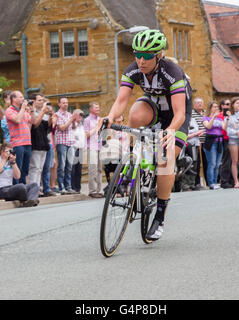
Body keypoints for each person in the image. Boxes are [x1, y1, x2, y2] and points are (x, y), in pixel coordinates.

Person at [104, 29, 192, 241]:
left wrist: (171, 130)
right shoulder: (133, 69)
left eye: (147, 56)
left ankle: (160, 216)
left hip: (176, 113)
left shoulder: (172, 72)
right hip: (153, 106)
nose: (141, 61)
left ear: (158, 55)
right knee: (134, 116)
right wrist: (109, 117)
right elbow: (122, 100)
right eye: (138, 55)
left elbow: (179, 112)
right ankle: (135, 158)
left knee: (165, 159)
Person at [0, 143, 39, 207]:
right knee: (21, 187)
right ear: (2, 152)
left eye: (11, 151)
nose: (10, 153)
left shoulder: (10, 162)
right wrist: (4, 159)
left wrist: (13, 162)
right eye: (8, 151)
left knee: (34, 185)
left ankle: (31, 200)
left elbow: (17, 176)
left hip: (10, 188)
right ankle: (28, 199)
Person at [28, 94, 52, 191]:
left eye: (42, 100)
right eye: (39, 100)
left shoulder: (43, 113)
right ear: (33, 101)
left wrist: (50, 115)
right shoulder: (31, 112)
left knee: (40, 169)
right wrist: (43, 112)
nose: (42, 102)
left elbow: (48, 127)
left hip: (43, 143)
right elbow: (35, 124)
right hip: (35, 143)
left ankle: (36, 189)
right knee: (35, 168)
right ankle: (32, 189)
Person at [203, 101, 228, 190]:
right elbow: (208, 127)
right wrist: (213, 117)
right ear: (210, 108)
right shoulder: (205, 118)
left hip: (219, 142)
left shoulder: (219, 119)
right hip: (210, 142)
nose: (216, 108)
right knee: (212, 163)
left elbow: (224, 128)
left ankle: (215, 182)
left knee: (217, 164)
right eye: (214, 107)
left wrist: (227, 119)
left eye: (217, 107)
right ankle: (211, 183)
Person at [55, 97, 78, 195]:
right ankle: (61, 187)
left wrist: (73, 121)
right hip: (61, 143)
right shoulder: (57, 115)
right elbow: (62, 128)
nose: (65, 104)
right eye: (63, 103)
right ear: (59, 104)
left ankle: (68, 187)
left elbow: (74, 128)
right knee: (62, 166)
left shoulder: (69, 115)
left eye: (67, 103)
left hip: (70, 143)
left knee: (69, 166)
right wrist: (70, 120)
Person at [84, 102, 104, 198]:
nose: (98, 109)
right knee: (93, 169)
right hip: (91, 147)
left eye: (98, 107)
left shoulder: (100, 119)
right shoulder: (87, 120)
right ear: (91, 109)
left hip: (99, 146)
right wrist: (96, 128)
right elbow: (86, 135)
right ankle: (92, 191)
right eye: (96, 107)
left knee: (100, 169)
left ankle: (98, 190)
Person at [190, 97, 207, 190]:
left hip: (207, 141)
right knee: (197, 163)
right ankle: (197, 182)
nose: (200, 104)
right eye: (197, 103)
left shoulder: (205, 113)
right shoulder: (192, 114)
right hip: (197, 141)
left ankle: (208, 182)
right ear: (194, 105)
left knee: (206, 162)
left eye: (201, 103)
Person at [219, 99, 235, 189]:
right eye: (227, 104)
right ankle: (224, 181)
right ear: (222, 106)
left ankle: (232, 180)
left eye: (230, 104)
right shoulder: (220, 115)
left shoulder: (232, 114)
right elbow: (223, 127)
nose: (229, 106)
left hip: (234, 139)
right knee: (226, 161)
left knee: (233, 161)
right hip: (225, 139)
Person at [71, 109, 86, 194]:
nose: (80, 117)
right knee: (72, 169)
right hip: (73, 148)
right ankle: (73, 187)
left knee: (78, 170)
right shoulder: (73, 125)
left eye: (81, 115)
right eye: (78, 115)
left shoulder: (81, 125)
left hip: (80, 149)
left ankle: (78, 188)